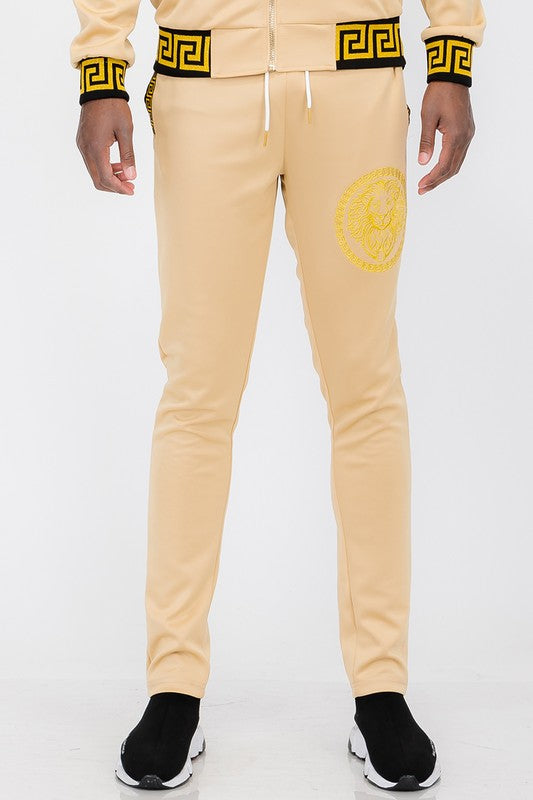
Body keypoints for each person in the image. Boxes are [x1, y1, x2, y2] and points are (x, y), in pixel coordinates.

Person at [71, 0, 486, 791]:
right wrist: (101, 74)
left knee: (365, 389)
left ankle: (381, 688)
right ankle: (173, 686)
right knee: (197, 393)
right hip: (202, 86)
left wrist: (452, 59)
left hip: (356, 89)